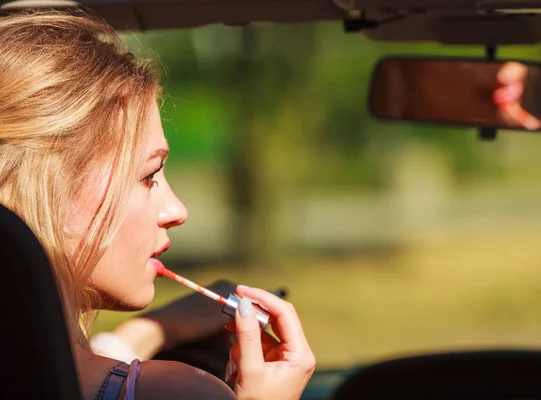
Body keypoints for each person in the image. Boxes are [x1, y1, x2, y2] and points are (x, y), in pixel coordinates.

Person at [0, 9, 315, 400]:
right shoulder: (180, 391)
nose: (176, 210)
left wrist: (155, 329)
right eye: (149, 176)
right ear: (46, 186)